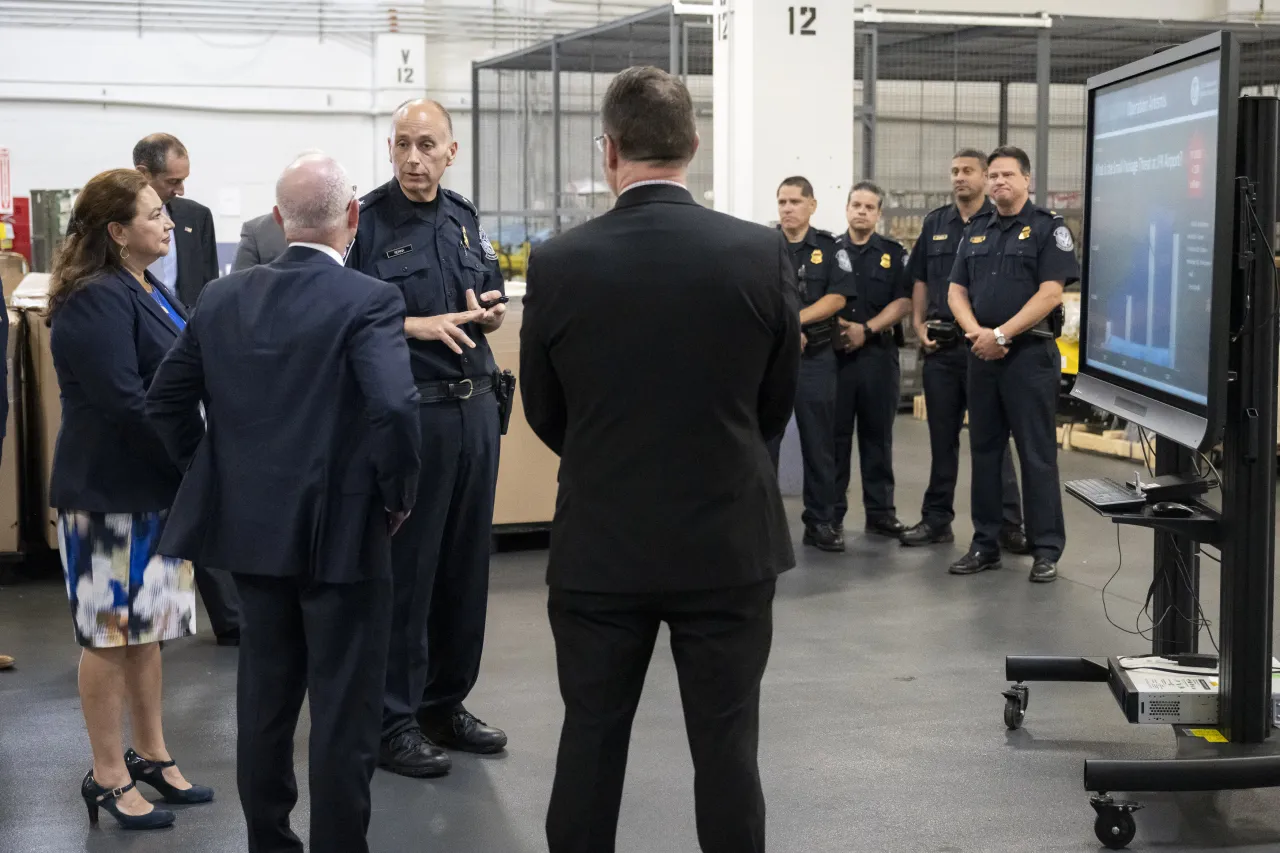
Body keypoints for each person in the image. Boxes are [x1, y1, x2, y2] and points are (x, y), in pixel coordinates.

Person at [521, 65, 799, 853]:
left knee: (591, 741)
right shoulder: (757, 253)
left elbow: (544, 409)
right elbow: (772, 405)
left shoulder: (561, 262)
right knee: (727, 751)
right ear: (694, 146)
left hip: (601, 548)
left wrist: (606, 457)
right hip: (728, 542)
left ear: (609, 151)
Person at [146, 153, 422, 853]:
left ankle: (269, 840)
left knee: (264, 702)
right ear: (352, 219)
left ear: (277, 221)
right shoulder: (369, 299)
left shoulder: (222, 299)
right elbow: (394, 405)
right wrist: (398, 495)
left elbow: (167, 400)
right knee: (344, 710)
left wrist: (217, 473)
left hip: (254, 535)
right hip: (345, 535)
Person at [346, 98, 508, 777]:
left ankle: (446, 701)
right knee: (408, 573)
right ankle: (393, 719)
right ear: (390, 148)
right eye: (403, 144)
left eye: (427, 145)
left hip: (475, 411)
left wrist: (487, 313)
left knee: (464, 569)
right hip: (415, 414)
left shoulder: (465, 219)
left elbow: (489, 295)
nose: (414, 157)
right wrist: (409, 325)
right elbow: (341, 314)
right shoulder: (367, 221)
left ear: (451, 151)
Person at [47, 168, 213, 831]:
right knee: (110, 638)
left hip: (155, 491)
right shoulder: (95, 298)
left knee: (149, 634)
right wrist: (199, 453)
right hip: (108, 494)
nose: (168, 222)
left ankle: (151, 753)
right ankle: (109, 772)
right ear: (117, 232)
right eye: (153, 214)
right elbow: (127, 401)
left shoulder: (152, 289)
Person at [948, 145, 1077, 583]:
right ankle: (986, 543)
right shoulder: (976, 229)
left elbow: (1050, 294)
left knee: (1036, 454)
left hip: (1029, 358)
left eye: (1008, 175)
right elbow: (956, 292)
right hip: (981, 356)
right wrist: (977, 335)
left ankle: (1046, 549)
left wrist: (1001, 334)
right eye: (994, 175)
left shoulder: (1047, 229)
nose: (999, 182)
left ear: (1027, 181)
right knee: (984, 451)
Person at [133, 132, 240, 644]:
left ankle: (233, 618)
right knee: (174, 486)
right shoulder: (112, 228)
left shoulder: (194, 216)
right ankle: (149, 614)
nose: (177, 192)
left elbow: (204, 292)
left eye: (182, 181)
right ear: (142, 172)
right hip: (145, 372)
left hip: (194, 362)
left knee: (204, 479)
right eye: (170, 182)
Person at [900, 149, 1028, 554]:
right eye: (954, 170)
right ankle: (937, 519)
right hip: (941, 350)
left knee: (993, 440)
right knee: (942, 440)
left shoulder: (998, 223)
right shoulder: (935, 222)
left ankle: (1009, 524)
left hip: (985, 349)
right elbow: (919, 278)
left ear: (985, 178)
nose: (960, 177)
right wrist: (918, 325)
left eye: (969, 171)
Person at [767, 177, 856, 552]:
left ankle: (820, 522)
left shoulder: (830, 248)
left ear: (812, 206)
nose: (787, 208)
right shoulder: (762, 246)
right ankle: (764, 525)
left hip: (815, 360)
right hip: (770, 362)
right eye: (782, 202)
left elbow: (837, 298)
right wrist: (785, 329)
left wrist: (795, 322)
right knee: (764, 443)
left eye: (794, 201)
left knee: (819, 443)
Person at [832, 182, 912, 539]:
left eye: (869, 207)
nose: (861, 211)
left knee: (877, 438)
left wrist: (866, 328)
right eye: (856, 205)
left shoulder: (894, 254)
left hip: (878, 356)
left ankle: (880, 514)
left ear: (879, 214)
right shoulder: (828, 251)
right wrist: (841, 329)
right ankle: (829, 515)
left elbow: (904, 301)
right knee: (833, 440)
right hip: (835, 358)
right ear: (846, 209)